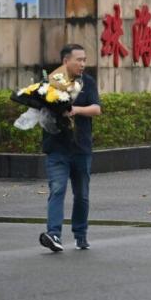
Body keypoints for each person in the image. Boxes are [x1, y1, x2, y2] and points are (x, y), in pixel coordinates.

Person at [39, 44, 102, 252]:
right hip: (57, 148)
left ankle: (80, 234)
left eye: (85, 59)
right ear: (66, 61)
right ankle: (54, 234)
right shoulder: (51, 83)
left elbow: (96, 108)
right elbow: (40, 107)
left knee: (82, 194)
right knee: (57, 189)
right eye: (79, 60)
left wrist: (75, 109)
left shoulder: (87, 83)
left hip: (81, 148)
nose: (83, 64)